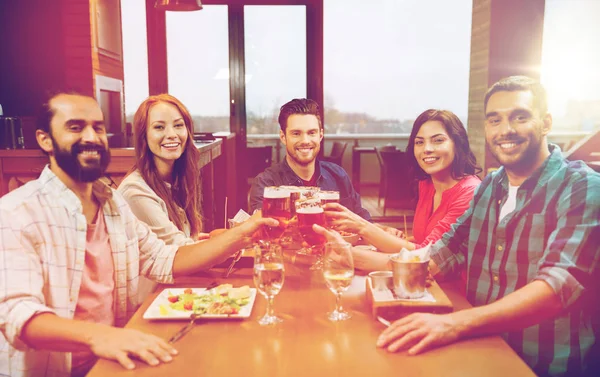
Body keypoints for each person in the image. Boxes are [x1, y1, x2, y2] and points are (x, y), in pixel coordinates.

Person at [0, 92, 276, 377]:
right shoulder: (15, 212)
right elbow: (16, 313)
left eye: (97, 127)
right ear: (45, 139)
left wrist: (245, 232)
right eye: (75, 127)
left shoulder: (113, 204)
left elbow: (166, 259)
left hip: (116, 359)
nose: (91, 137)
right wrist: (100, 336)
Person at [353, 76, 599, 377]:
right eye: (494, 120)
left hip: (544, 365)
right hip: (480, 350)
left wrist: (454, 323)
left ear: (546, 122)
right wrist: (353, 262)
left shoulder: (582, 187)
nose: (505, 130)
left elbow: (557, 286)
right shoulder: (492, 185)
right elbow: (441, 254)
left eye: (519, 117)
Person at [325, 109, 481, 272]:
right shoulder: (427, 183)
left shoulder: (469, 192)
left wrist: (362, 227)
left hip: (450, 289)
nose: (427, 149)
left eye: (438, 140)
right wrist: (393, 237)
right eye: (419, 142)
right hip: (419, 281)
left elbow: (429, 256)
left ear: (458, 143)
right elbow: (426, 240)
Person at [248, 98, 371, 220]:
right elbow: (263, 232)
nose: (305, 141)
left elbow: (363, 221)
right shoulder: (265, 184)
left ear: (320, 135)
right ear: (283, 137)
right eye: (296, 133)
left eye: (312, 132)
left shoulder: (338, 175)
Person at [118, 94, 209, 246]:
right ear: (143, 136)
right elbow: (180, 253)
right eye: (159, 127)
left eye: (178, 125)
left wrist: (202, 240)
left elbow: (180, 242)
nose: (172, 135)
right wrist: (237, 235)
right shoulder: (135, 191)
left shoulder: (176, 180)